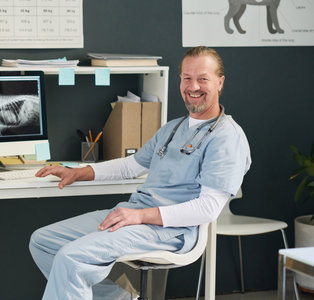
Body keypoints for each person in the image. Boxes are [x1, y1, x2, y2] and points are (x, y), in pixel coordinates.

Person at [29, 46, 252, 300]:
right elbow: (130, 166)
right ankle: (118, 298)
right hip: (135, 215)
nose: (193, 86)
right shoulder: (172, 128)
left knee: (72, 257)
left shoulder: (227, 137)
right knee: (43, 242)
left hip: (173, 230)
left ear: (220, 82)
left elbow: (208, 208)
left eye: (203, 78)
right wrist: (79, 172)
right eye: (187, 78)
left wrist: (139, 216)